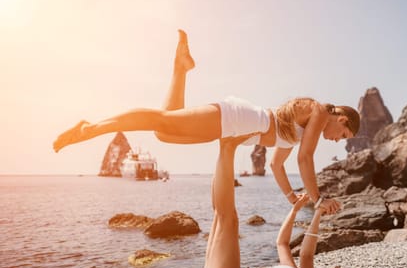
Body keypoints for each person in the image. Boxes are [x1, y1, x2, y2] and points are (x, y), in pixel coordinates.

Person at [53, 30, 360, 213]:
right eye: (342, 133)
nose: (336, 139)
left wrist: (294, 197)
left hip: (238, 128)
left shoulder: (300, 129)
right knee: (162, 120)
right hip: (240, 118)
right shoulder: (319, 111)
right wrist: (319, 199)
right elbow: (306, 158)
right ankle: (91, 128)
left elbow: (278, 166)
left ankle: (181, 68)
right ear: (342, 118)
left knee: (164, 132)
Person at [200, 134, 375, 268]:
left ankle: (227, 147)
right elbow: (282, 243)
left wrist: (319, 212)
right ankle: (224, 146)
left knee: (228, 219)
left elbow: (306, 257)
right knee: (219, 215)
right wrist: (295, 210)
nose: (337, 267)